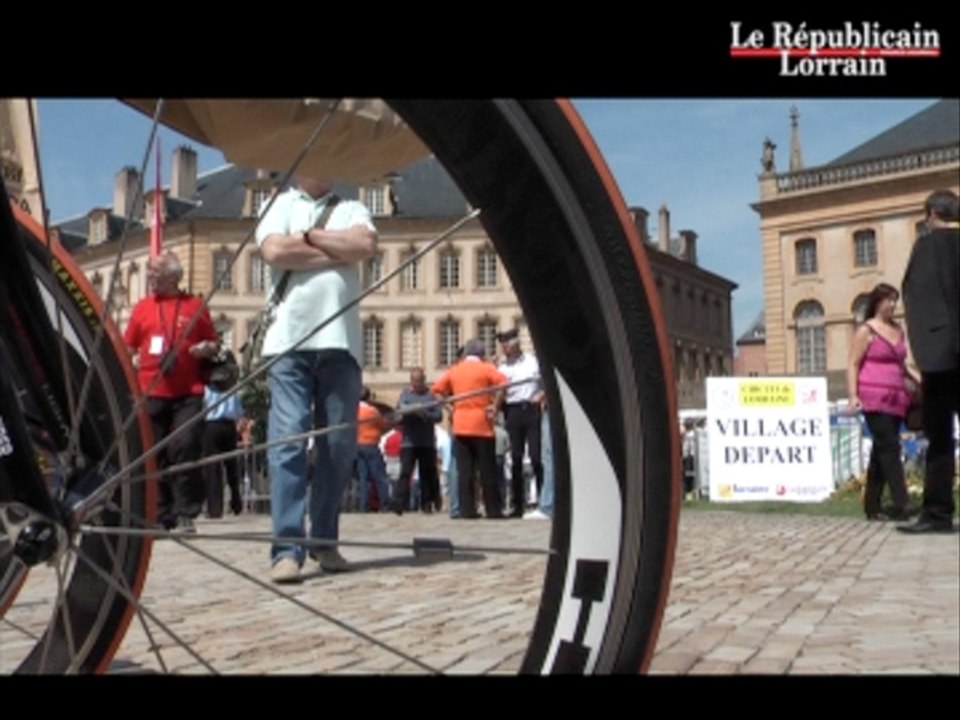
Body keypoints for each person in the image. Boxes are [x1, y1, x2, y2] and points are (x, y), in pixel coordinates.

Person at [256, 175, 377, 583]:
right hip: (288, 341)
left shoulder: (354, 206)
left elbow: (364, 246)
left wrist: (305, 240)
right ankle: (287, 549)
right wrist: (331, 245)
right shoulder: (278, 203)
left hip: (342, 343)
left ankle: (323, 540)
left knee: (339, 446)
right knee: (289, 440)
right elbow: (274, 250)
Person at [123, 251, 220, 532]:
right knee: (153, 453)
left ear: (173, 277)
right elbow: (128, 346)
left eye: (156, 273)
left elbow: (213, 341)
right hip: (150, 390)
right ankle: (161, 514)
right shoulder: (142, 308)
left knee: (184, 446)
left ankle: (186, 511)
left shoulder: (194, 306)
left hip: (187, 391)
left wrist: (205, 349)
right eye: (150, 273)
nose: (150, 278)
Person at [898, 189, 959, 534]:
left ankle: (937, 512)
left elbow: (919, 300)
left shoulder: (928, 244)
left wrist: (923, 354)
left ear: (933, 213)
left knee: (939, 437)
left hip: (941, 356)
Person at [847, 282, 921, 521]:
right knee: (890, 446)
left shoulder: (898, 330)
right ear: (878, 302)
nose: (892, 304)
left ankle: (872, 505)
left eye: (894, 300)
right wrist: (852, 395)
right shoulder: (866, 330)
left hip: (897, 397)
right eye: (889, 300)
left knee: (880, 451)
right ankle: (902, 500)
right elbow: (853, 364)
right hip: (873, 397)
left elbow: (903, 364)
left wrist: (921, 380)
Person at [431, 338, 507, 519]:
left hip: (461, 424)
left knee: (465, 471)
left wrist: (450, 408)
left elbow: (436, 390)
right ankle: (493, 510)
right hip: (482, 423)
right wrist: (495, 406)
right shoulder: (486, 368)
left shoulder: (455, 370)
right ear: (481, 354)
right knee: (487, 469)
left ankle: (467, 510)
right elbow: (504, 384)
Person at [496, 328, 545, 517]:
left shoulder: (533, 361)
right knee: (515, 458)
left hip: (531, 409)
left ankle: (543, 501)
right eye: (503, 346)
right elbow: (499, 393)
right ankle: (517, 505)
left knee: (536, 456)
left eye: (506, 345)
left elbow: (546, 383)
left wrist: (541, 395)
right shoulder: (503, 368)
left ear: (515, 344)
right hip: (512, 411)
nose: (504, 349)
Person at [392, 368, 443, 515]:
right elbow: (397, 414)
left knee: (427, 473)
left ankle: (427, 503)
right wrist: (405, 414)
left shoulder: (431, 396)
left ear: (423, 380)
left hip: (426, 441)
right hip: (409, 441)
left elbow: (438, 416)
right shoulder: (405, 395)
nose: (416, 384)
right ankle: (399, 503)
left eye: (419, 381)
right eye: (413, 381)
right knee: (405, 473)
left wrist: (424, 414)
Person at [202, 380, 246, 518]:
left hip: (211, 425)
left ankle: (215, 508)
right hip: (228, 426)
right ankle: (236, 502)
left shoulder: (206, 389)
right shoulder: (231, 388)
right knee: (231, 466)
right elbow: (239, 411)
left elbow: (202, 408)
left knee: (213, 468)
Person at [355, 387, 391, 512]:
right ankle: (385, 504)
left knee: (363, 478)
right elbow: (381, 425)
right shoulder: (372, 411)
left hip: (358, 445)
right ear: (368, 397)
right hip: (371, 444)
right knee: (379, 476)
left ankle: (363, 505)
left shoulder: (354, 411)